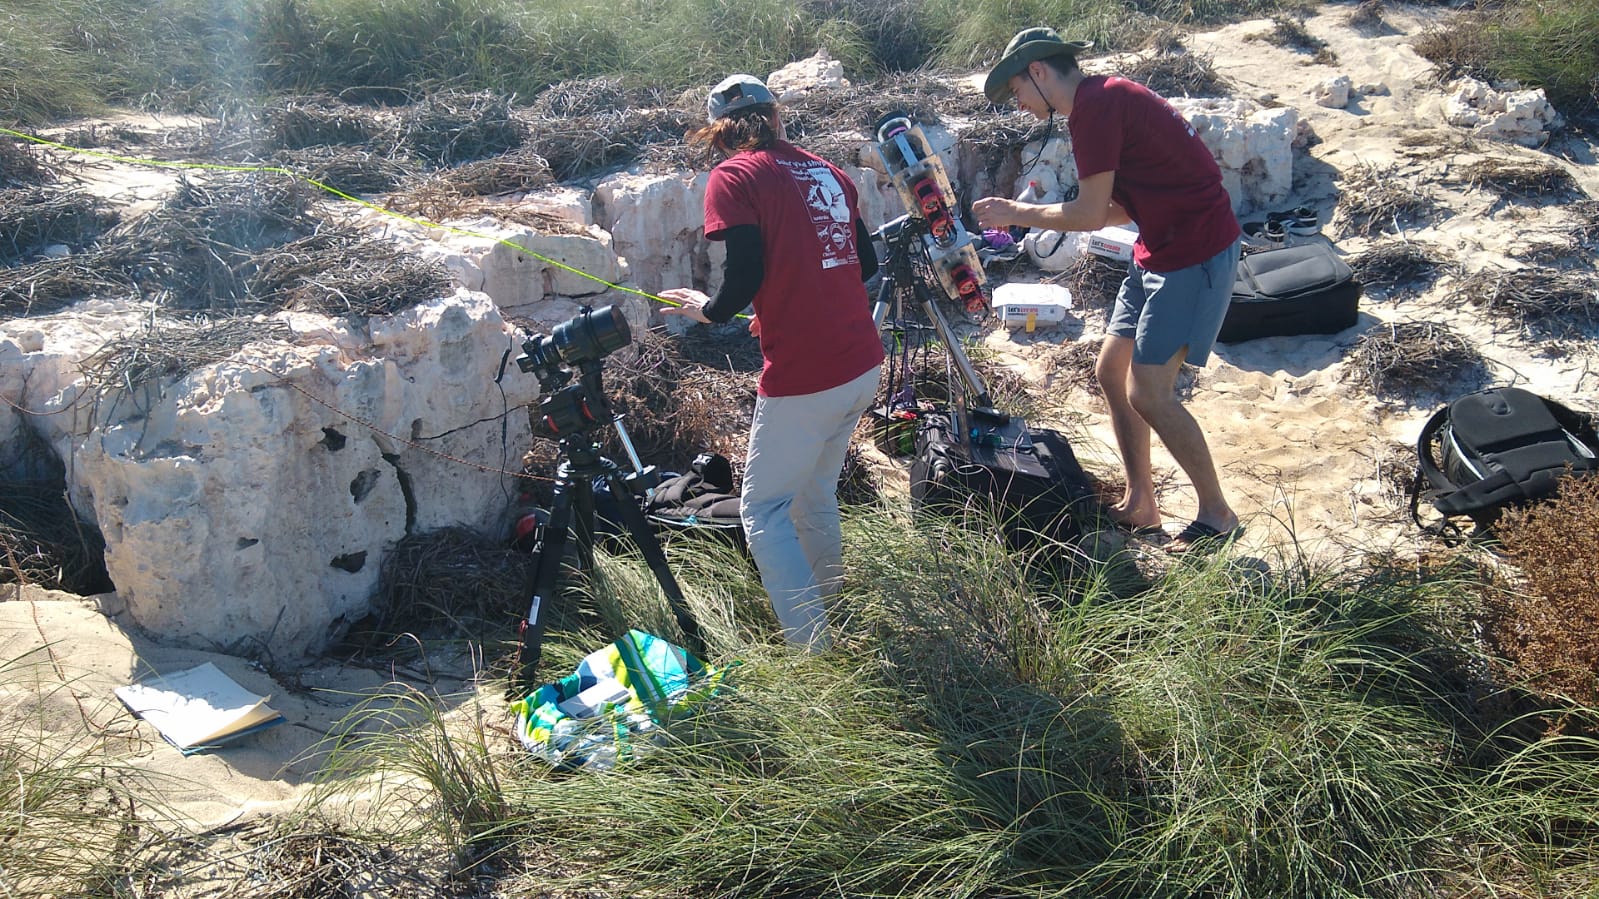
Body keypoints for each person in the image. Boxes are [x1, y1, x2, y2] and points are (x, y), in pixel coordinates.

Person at [972, 27, 1244, 553]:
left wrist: (1015, 212)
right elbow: (1122, 206)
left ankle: (1217, 514)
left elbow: (1091, 214)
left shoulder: (1096, 108)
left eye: (1017, 92)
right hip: (1158, 250)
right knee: (1110, 371)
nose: (1021, 105)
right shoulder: (1103, 100)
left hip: (1195, 253)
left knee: (1150, 392)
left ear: (1039, 71)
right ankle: (1142, 503)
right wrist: (1039, 214)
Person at [660, 74, 884, 650]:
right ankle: (829, 611)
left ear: (718, 134)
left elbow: (744, 275)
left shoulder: (733, 175)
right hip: (860, 362)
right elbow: (862, 266)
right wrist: (786, 302)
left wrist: (709, 311)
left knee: (763, 509)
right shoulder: (827, 172)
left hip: (808, 375)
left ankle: (812, 652)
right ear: (777, 118)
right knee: (813, 497)